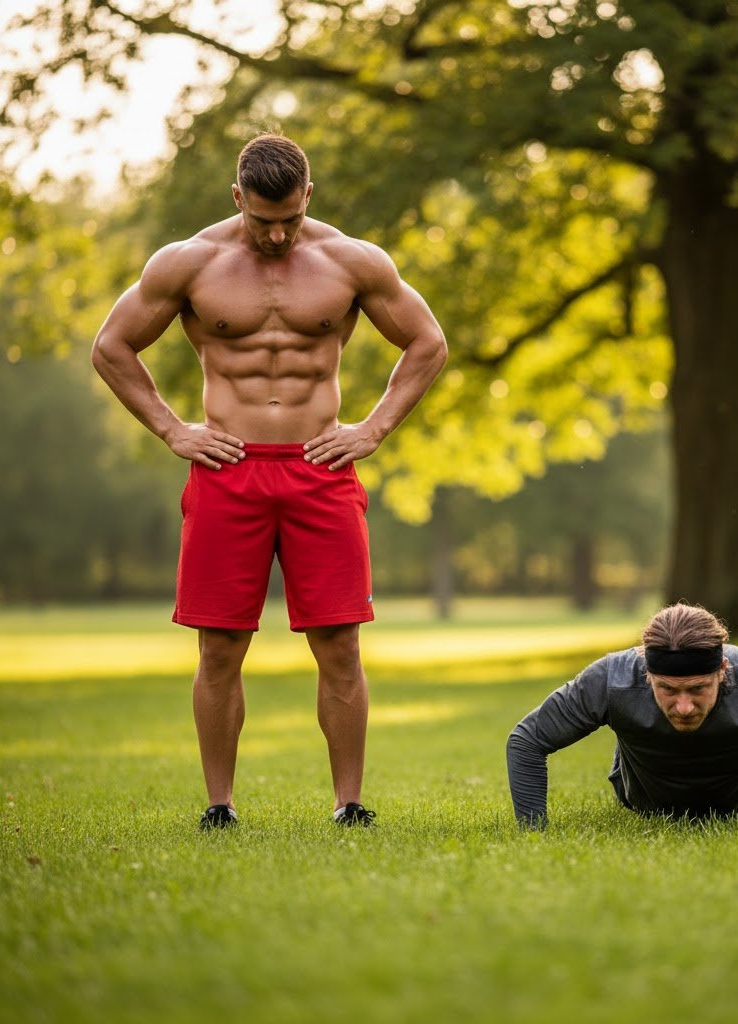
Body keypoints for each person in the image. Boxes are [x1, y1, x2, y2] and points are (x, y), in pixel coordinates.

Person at [92, 134, 447, 829]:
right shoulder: (190, 262)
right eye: (262, 221)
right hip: (228, 469)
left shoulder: (352, 261)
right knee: (220, 645)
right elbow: (111, 346)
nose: (277, 234)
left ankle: (350, 804)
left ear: (308, 196)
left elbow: (427, 342)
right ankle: (219, 806)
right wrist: (173, 429)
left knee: (340, 643)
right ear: (237, 200)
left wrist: (372, 429)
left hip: (321, 470)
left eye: (288, 217)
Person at [507, 603, 738, 828]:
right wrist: (534, 832)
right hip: (644, 800)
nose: (684, 707)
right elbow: (526, 741)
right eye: (668, 690)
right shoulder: (611, 680)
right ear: (646, 673)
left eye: (698, 688)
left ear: (723, 669)